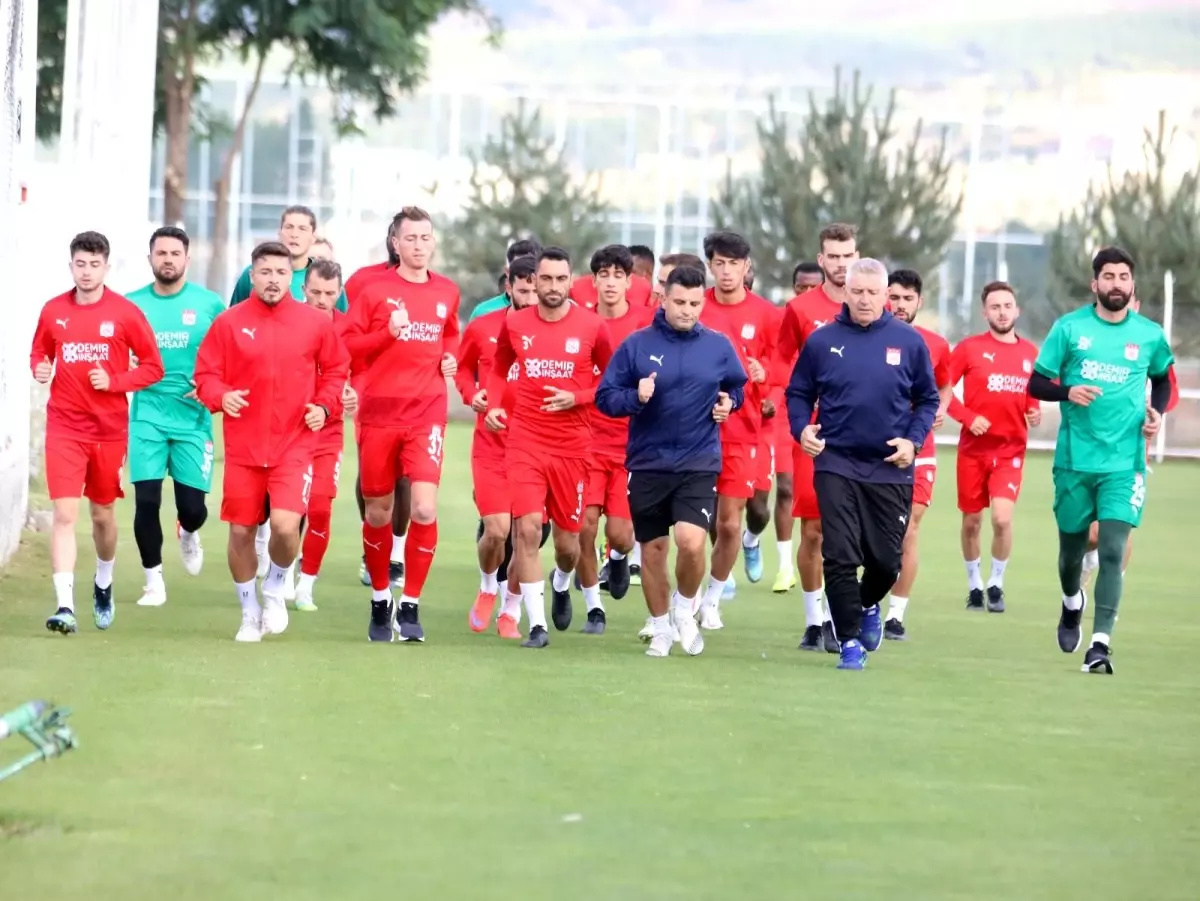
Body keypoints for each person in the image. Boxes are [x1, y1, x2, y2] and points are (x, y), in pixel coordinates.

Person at [786, 258, 939, 671]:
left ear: (886, 295)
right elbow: (798, 393)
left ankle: (868, 603)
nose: (866, 300)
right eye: (858, 292)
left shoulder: (908, 341)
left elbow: (928, 399)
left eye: (874, 293)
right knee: (838, 554)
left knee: (887, 561)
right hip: (836, 461)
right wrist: (801, 429)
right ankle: (849, 641)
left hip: (891, 465)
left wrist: (913, 440)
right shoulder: (823, 341)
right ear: (846, 292)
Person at [1028, 246, 1173, 675]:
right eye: (1108, 276)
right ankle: (1072, 602)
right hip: (1075, 460)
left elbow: (1162, 379)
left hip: (1124, 463)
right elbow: (1037, 382)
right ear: (1095, 284)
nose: (1116, 284)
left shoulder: (1148, 334)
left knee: (1112, 548)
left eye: (1123, 277)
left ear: (1132, 284)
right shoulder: (1070, 329)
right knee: (1071, 553)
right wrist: (1066, 391)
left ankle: (1100, 644)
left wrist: (1156, 414)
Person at [194, 241, 348, 642]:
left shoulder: (314, 323)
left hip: (294, 444)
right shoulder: (229, 323)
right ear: (253, 275)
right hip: (244, 447)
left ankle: (276, 586)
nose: (274, 280)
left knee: (284, 525)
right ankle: (249, 612)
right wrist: (220, 396)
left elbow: (335, 370)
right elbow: (206, 375)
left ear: (291, 278)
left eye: (281, 273)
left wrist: (325, 407)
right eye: (266, 272)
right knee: (241, 533)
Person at [596, 265, 747, 656]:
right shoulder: (636, 344)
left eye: (695, 303)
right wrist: (636, 397)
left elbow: (737, 386)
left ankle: (685, 606)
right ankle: (661, 627)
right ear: (663, 300)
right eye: (679, 302)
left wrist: (729, 402)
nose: (688, 310)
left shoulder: (718, 345)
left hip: (699, 461)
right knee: (653, 550)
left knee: (691, 541)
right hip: (647, 462)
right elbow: (606, 397)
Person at [32, 231, 165, 634]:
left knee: (103, 514)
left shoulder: (124, 313)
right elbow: (40, 351)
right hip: (64, 427)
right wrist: (39, 367)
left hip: (108, 430)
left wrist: (114, 382)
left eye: (94, 264)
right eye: (80, 264)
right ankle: (65, 606)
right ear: (70, 265)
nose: (87, 272)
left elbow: (152, 367)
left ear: (107, 267)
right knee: (64, 513)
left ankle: (103, 581)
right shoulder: (54, 310)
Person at [483, 247, 614, 649]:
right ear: (533, 281)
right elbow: (498, 367)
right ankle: (536, 624)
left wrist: (576, 399)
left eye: (561, 279)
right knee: (526, 529)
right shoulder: (516, 323)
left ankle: (562, 580)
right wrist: (491, 404)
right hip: (525, 441)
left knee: (567, 545)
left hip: (573, 447)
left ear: (571, 281)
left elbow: (612, 383)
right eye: (546, 279)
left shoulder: (592, 326)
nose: (553, 287)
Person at [344, 206, 460, 643]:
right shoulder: (374, 292)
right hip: (378, 414)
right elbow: (348, 346)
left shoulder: (447, 291)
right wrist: (387, 334)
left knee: (425, 508)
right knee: (378, 512)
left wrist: (450, 353)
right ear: (395, 243)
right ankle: (379, 598)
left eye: (425, 238)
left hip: (426, 411)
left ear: (433, 242)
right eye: (410, 238)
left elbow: (449, 331)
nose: (418, 246)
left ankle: (410, 603)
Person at [126, 226, 226, 608]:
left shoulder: (209, 305)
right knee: (146, 500)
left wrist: (211, 385)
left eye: (174, 253)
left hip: (193, 417)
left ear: (187, 259)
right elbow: (116, 350)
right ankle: (154, 583)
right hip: (147, 413)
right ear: (150, 258)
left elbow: (230, 353)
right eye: (161, 253)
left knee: (193, 509)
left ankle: (188, 531)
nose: (167, 259)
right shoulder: (132, 304)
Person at [771, 225, 857, 650]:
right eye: (833, 256)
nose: (841, 264)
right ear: (821, 260)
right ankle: (814, 619)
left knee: (852, 532)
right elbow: (783, 361)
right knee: (815, 531)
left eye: (847, 256)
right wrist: (798, 416)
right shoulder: (801, 309)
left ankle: (846, 614)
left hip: (861, 434)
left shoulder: (869, 306)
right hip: (815, 434)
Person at [694, 231, 778, 627]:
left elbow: (785, 368)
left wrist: (766, 377)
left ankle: (712, 596)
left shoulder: (767, 314)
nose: (727, 271)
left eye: (734, 264)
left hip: (744, 432)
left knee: (729, 522)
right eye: (720, 263)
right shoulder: (694, 305)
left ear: (747, 268)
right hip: (693, 431)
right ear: (710, 265)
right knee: (693, 525)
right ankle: (687, 598)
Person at [456, 254, 540, 638]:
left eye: (536, 290)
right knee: (496, 531)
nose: (531, 297)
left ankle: (512, 607)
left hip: (538, 446)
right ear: (509, 287)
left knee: (527, 534)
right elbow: (462, 367)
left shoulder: (558, 330)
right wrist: (473, 395)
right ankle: (489, 584)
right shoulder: (485, 325)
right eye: (523, 290)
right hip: (491, 445)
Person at [944, 281, 1041, 616]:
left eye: (1007, 306)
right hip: (972, 452)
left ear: (1017, 310)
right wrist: (968, 417)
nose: (1002, 312)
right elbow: (941, 390)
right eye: (995, 306)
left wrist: (1034, 410)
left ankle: (996, 584)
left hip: (1010, 452)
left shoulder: (1030, 353)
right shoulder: (969, 349)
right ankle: (974, 585)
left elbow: (1033, 395)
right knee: (972, 521)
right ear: (985, 312)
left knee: (1002, 519)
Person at [577, 245, 654, 632]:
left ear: (629, 281)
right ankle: (594, 608)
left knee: (621, 536)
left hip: (630, 446)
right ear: (593, 282)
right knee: (583, 527)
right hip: (586, 442)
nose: (610, 282)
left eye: (617, 275)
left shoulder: (646, 324)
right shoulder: (580, 322)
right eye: (603, 275)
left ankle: (620, 558)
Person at [880, 269, 953, 639]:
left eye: (907, 299)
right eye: (893, 297)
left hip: (919, 451)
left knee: (908, 529)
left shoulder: (935, 344)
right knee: (867, 536)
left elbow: (945, 384)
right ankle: (863, 602)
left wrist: (939, 409)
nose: (899, 305)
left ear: (919, 303)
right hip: (870, 450)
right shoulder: (867, 338)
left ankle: (895, 615)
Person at [345, 213, 411, 591]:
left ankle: (396, 552)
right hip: (369, 387)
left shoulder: (431, 287)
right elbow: (346, 330)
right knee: (374, 475)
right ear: (392, 240)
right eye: (403, 236)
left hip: (412, 395)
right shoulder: (363, 281)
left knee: (405, 475)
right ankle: (371, 543)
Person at [293, 259, 357, 612]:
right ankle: (280, 571)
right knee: (287, 512)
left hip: (328, 432)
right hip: (290, 430)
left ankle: (307, 584)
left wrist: (353, 392)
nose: (321, 300)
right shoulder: (288, 322)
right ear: (303, 289)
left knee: (319, 508)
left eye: (329, 294)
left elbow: (361, 370)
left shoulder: (348, 329)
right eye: (315, 292)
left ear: (340, 293)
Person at [229, 206, 347, 313]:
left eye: (302, 229)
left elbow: (343, 324)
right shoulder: (254, 273)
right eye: (289, 227)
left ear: (313, 237)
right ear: (279, 233)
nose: (294, 234)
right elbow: (234, 316)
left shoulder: (327, 277)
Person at [469, 239, 542, 322]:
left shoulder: (554, 314)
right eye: (519, 268)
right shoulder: (483, 312)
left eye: (532, 267)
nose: (527, 274)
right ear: (507, 272)